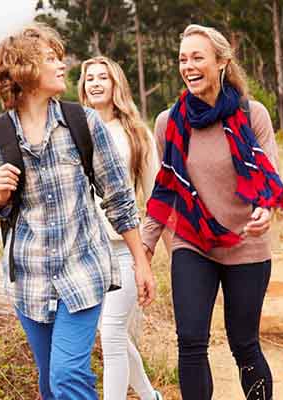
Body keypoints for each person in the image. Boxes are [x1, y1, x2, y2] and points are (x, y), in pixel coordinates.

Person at [0, 24, 156, 400]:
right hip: (30, 280)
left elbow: (119, 197)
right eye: (51, 59)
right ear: (24, 71)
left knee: (68, 374)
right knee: (50, 383)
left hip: (83, 271)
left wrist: (141, 262)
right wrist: (0, 195)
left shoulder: (82, 124)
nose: (63, 65)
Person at [142, 24, 283, 400]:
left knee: (244, 344)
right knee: (190, 341)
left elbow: (269, 176)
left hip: (246, 245)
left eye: (197, 57)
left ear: (221, 62)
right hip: (192, 244)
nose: (188, 66)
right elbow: (167, 187)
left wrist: (265, 207)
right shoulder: (168, 123)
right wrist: (143, 247)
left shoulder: (251, 114)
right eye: (182, 59)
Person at [77, 56, 163, 400]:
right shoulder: (74, 128)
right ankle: (149, 396)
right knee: (111, 331)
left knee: (112, 333)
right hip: (84, 247)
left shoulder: (136, 133)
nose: (95, 83)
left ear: (116, 85)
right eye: (89, 79)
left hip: (124, 244)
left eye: (103, 78)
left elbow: (156, 192)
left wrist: (146, 248)